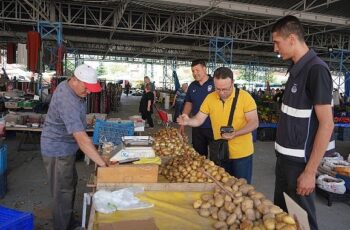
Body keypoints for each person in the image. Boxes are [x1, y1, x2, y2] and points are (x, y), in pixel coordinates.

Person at [272, 15, 334, 230]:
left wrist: (310, 172)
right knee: (282, 218)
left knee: (302, 222)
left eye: (276, 42)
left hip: (299, 165)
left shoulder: (316, 70)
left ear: (291, 38)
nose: (275, 48)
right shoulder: (296, 70)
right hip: (284, 160)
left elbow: (327, 124)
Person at [40, 64, 108, 230]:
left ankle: (69, 221)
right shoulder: (67, 99)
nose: (89, 92)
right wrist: (102, 163)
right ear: (75, 80)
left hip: (66, 148)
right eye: (87, 87)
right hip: (58, 150)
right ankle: (63, 226)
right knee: (62, 191)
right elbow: (81, 139)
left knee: (69, 185)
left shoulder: (71, 88)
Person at [177, 67, 259, 183]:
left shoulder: (245, 98)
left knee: (242, 189)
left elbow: (254, 122)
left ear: (232, 83)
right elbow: (199, 119)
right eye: (218, 89)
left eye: (225, 89)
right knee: (222, 188)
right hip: (220, 153)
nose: (221, 93)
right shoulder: (210, 98)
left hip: (241, 154)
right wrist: (188, 121)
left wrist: (235, 133)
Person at [179, 59, 215, 157]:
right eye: (193, 71)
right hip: (197, 127)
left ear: (204, 69)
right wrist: (183, 121)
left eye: (197, 70)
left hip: (214, 127)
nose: (195, 73)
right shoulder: (192, 85)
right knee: (198, 156)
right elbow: (188, 103)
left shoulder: (214, 83)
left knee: (216, 157)